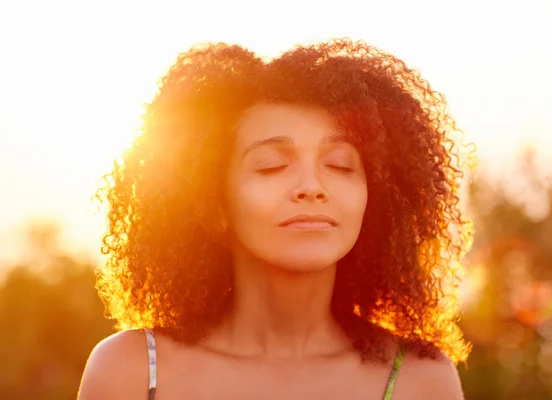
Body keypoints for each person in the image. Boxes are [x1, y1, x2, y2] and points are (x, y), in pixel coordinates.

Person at [78, 38, 473, 399]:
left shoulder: (420, 381)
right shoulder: (131, 372)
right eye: (271, 166)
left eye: (339, 165)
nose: (312, 186)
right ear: (212, 205)